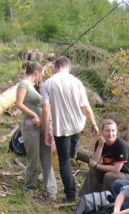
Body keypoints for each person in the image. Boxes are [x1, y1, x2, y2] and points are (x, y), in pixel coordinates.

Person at [42, 56, 99, 201]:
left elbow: (45, 109)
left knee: (63, 161)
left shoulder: (48, 83)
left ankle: (70, 194)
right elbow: (85, 106)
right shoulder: (77, 82)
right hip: (77, 124)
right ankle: (73, 152)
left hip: (61, 128)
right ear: (69, 67)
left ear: (55, 68)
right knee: (71, 150)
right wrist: (93, 123)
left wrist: (47, 131)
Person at [15, 62, 57, 201]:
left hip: (42, 128)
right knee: (33, 158)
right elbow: (19, 103)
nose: (41, 78)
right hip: (30, 127)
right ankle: (30, 188)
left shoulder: (35, 87)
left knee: (47, 159)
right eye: (42, 75)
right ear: (37, 73)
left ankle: (51, 191)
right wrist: (34, 115)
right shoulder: (23, 84)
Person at [79, 119, 129, 197]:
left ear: (116, 132)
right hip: (111, 171)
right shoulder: (100, 142)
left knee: (109, 176)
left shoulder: (121, 145)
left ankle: (105, 201)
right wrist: (100, 146)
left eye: (113, 131)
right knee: (93, 171)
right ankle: (84, 198)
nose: (110, 134)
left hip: (127, 175)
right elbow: (94, 162)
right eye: (107, 131)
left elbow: (116, 169)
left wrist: (97, 166)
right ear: (102, 132)